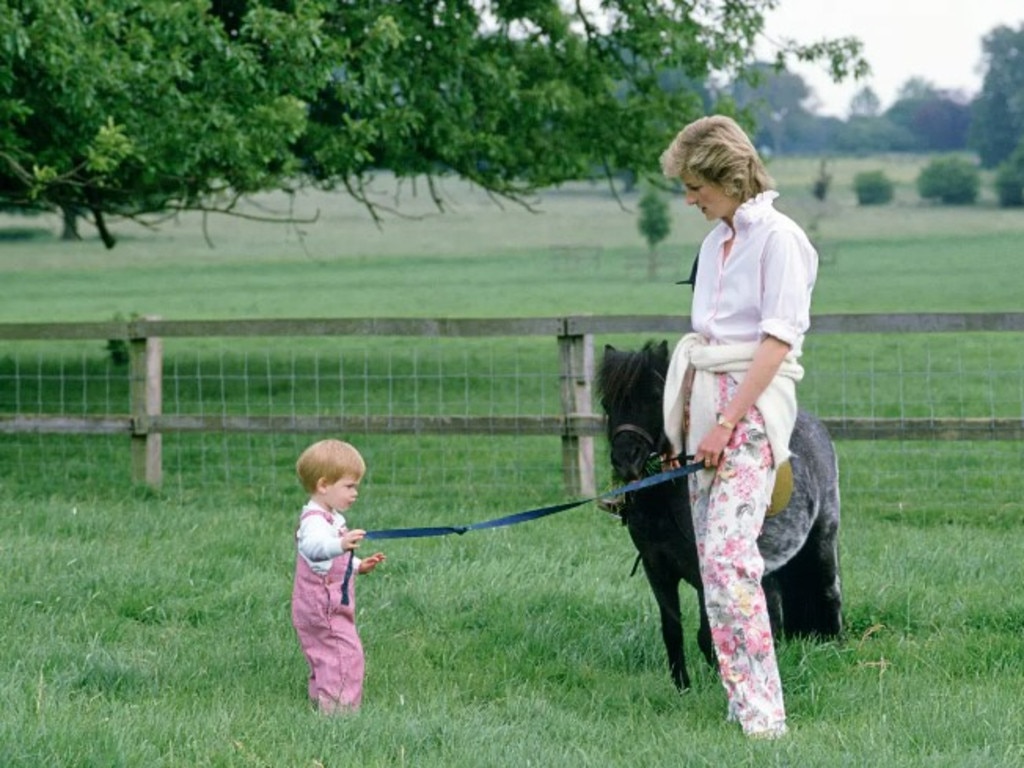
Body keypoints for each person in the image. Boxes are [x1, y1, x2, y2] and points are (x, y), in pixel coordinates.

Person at [658, 115, 818, 739]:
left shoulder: (781, 239)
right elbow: (706, 339)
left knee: (730, 560)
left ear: (729, 174)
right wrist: (684, 427)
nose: (689, 198)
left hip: (750, 408)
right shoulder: (712, 243)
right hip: (703, 406)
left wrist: (727, 422)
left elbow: (777, 341)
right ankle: (740, 698)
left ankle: (765, 718)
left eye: (696, 184)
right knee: (711, 563)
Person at [292, 438, 386, 713]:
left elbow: (330, 559)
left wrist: (356, 564)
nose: (355, 493)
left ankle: (321, 698)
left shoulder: (330, 518)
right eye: (349, 486)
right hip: (323, 604)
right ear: (323, 485)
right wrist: (341, 544)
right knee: (344, 652)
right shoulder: (314, 523)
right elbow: (315, 549)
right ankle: (339, 712)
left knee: (324, 651)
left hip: (323, 602)